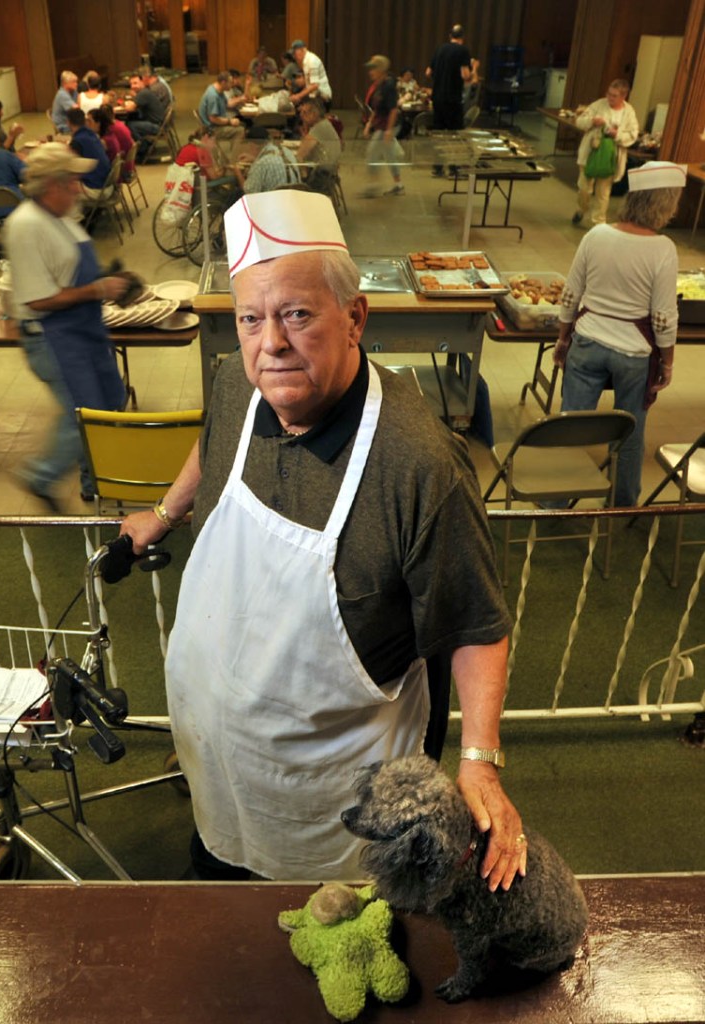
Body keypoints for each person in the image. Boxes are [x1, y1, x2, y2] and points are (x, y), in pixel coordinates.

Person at [120, 189, 525, 890]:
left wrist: (478, 759)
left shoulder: (418, 462)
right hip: (225, 759)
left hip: (339, 778)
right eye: (251, 318)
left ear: (354, 318)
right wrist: (163, 511)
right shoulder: (234, 387)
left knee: (339, 918)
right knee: (220, 891)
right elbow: (211, 446)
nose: (269, 343)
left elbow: (475, 624)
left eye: (297, 315)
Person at [553, 161, 685, 507]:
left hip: (587, 341)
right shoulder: (663, 249)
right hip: (634, 354)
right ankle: (621, 503)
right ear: (664, 202)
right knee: (629, 434)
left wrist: (563, 338)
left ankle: (553, 500)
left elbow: (571, 293)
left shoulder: (596, 235)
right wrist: (667, 364)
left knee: (570, 425)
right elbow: (663, 317)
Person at [4, 143, 128, 511]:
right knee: (82, 417)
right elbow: (37, 300)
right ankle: (40, 477)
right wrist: (98, 288)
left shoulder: (61, 215)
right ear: (51, 185)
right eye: (72, 180)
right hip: (53, 338)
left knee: (110, 402)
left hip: (83, 329)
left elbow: (70, 267)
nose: (78, 187)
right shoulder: (25, 225)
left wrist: (111, 281)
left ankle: (94, 481)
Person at [572, 79, 639, 227]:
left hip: (610, 157)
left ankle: (598, 222)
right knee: (584, 188)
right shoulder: (598, 105)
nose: (610, 98)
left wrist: (617, 135)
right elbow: (579, 121)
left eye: (614, 96)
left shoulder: (629, 112)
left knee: (603, 193)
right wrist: (591, 121)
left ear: (623, 96)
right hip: (590, 153)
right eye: (609, 94)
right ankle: (581, 209)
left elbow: (633, 134)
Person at [426, 24, 477, 176]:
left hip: (438, 97)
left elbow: (428, 72)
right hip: (453, 98)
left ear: (450, 35)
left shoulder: (440, 49)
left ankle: (437, 168)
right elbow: (465, 76)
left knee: (439, 133)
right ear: (463, 37)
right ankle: (454, 168)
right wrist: (474, 67)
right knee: (455, 134)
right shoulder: (463, 51)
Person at [361, 55, 404, 198]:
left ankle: (373, 186)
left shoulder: (389, 86)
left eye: (373, 68)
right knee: (389, 155)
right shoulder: (378, 85)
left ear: (381, 69)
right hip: (382, 125)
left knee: (372, 153)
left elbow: (393, 110)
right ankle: (398, 185)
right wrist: (368, 124)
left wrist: (389, 130)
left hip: (388, 126)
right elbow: (376, 109)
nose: (370, 72)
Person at [233, 126, 300, 194]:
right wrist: (255, 159)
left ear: (253, 145)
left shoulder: (261, 164)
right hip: (294, 200)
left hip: (273, 203)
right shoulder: (287, 152)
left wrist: (237, 172)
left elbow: (249, 192)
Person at [296, 96, 342, 195]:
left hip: (320, 178)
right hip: (329, 174)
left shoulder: (319, 129)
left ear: (314, 114)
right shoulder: (324, 124)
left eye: (305, 113)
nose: (301, 116)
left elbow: (300, 155)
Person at [197, 72, 244, 157]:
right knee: (240, 131)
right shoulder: (213, 96)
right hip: (212, 129)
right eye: (230, 82)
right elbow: (213, 119)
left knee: (240, 123)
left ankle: (235, 154)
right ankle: (234, 159)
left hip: (214, 125)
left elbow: (228, 104)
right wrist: (230, 122)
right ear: (223, 82)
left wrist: (241, 99)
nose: (232, 85)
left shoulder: (217, 89)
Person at [67, 108, 111, 198]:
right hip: (108, 185)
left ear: (68, 122)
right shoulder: (92, 135)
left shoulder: (77, 141)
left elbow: (70, 166)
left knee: (59, 187)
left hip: (97, 190)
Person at [124, 72, 167, 156]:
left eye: (135, 83)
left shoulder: (143, 94)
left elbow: (130, 108)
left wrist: (127, 104)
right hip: (158, 123)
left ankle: (143, 148)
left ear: (142, 82)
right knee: (132, 120)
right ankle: (144, 145)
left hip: (157, 126)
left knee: (130, 125)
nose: (133, 86)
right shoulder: (144, 92)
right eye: (131, 84)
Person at [290, 39, 332, 106]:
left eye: (295, 53)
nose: (294, 56)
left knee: (300, 106)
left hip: (322, 97)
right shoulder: (305, 61)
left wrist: (298, 96)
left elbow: (314, 85)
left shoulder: (312, 61)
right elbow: (309, 84)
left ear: (302, 50)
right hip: (314, 95)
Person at [100, 102, 135, 181]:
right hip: (128, 166)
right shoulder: (120, 124)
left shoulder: (110, 130)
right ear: (113, 113)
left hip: (120, 170)